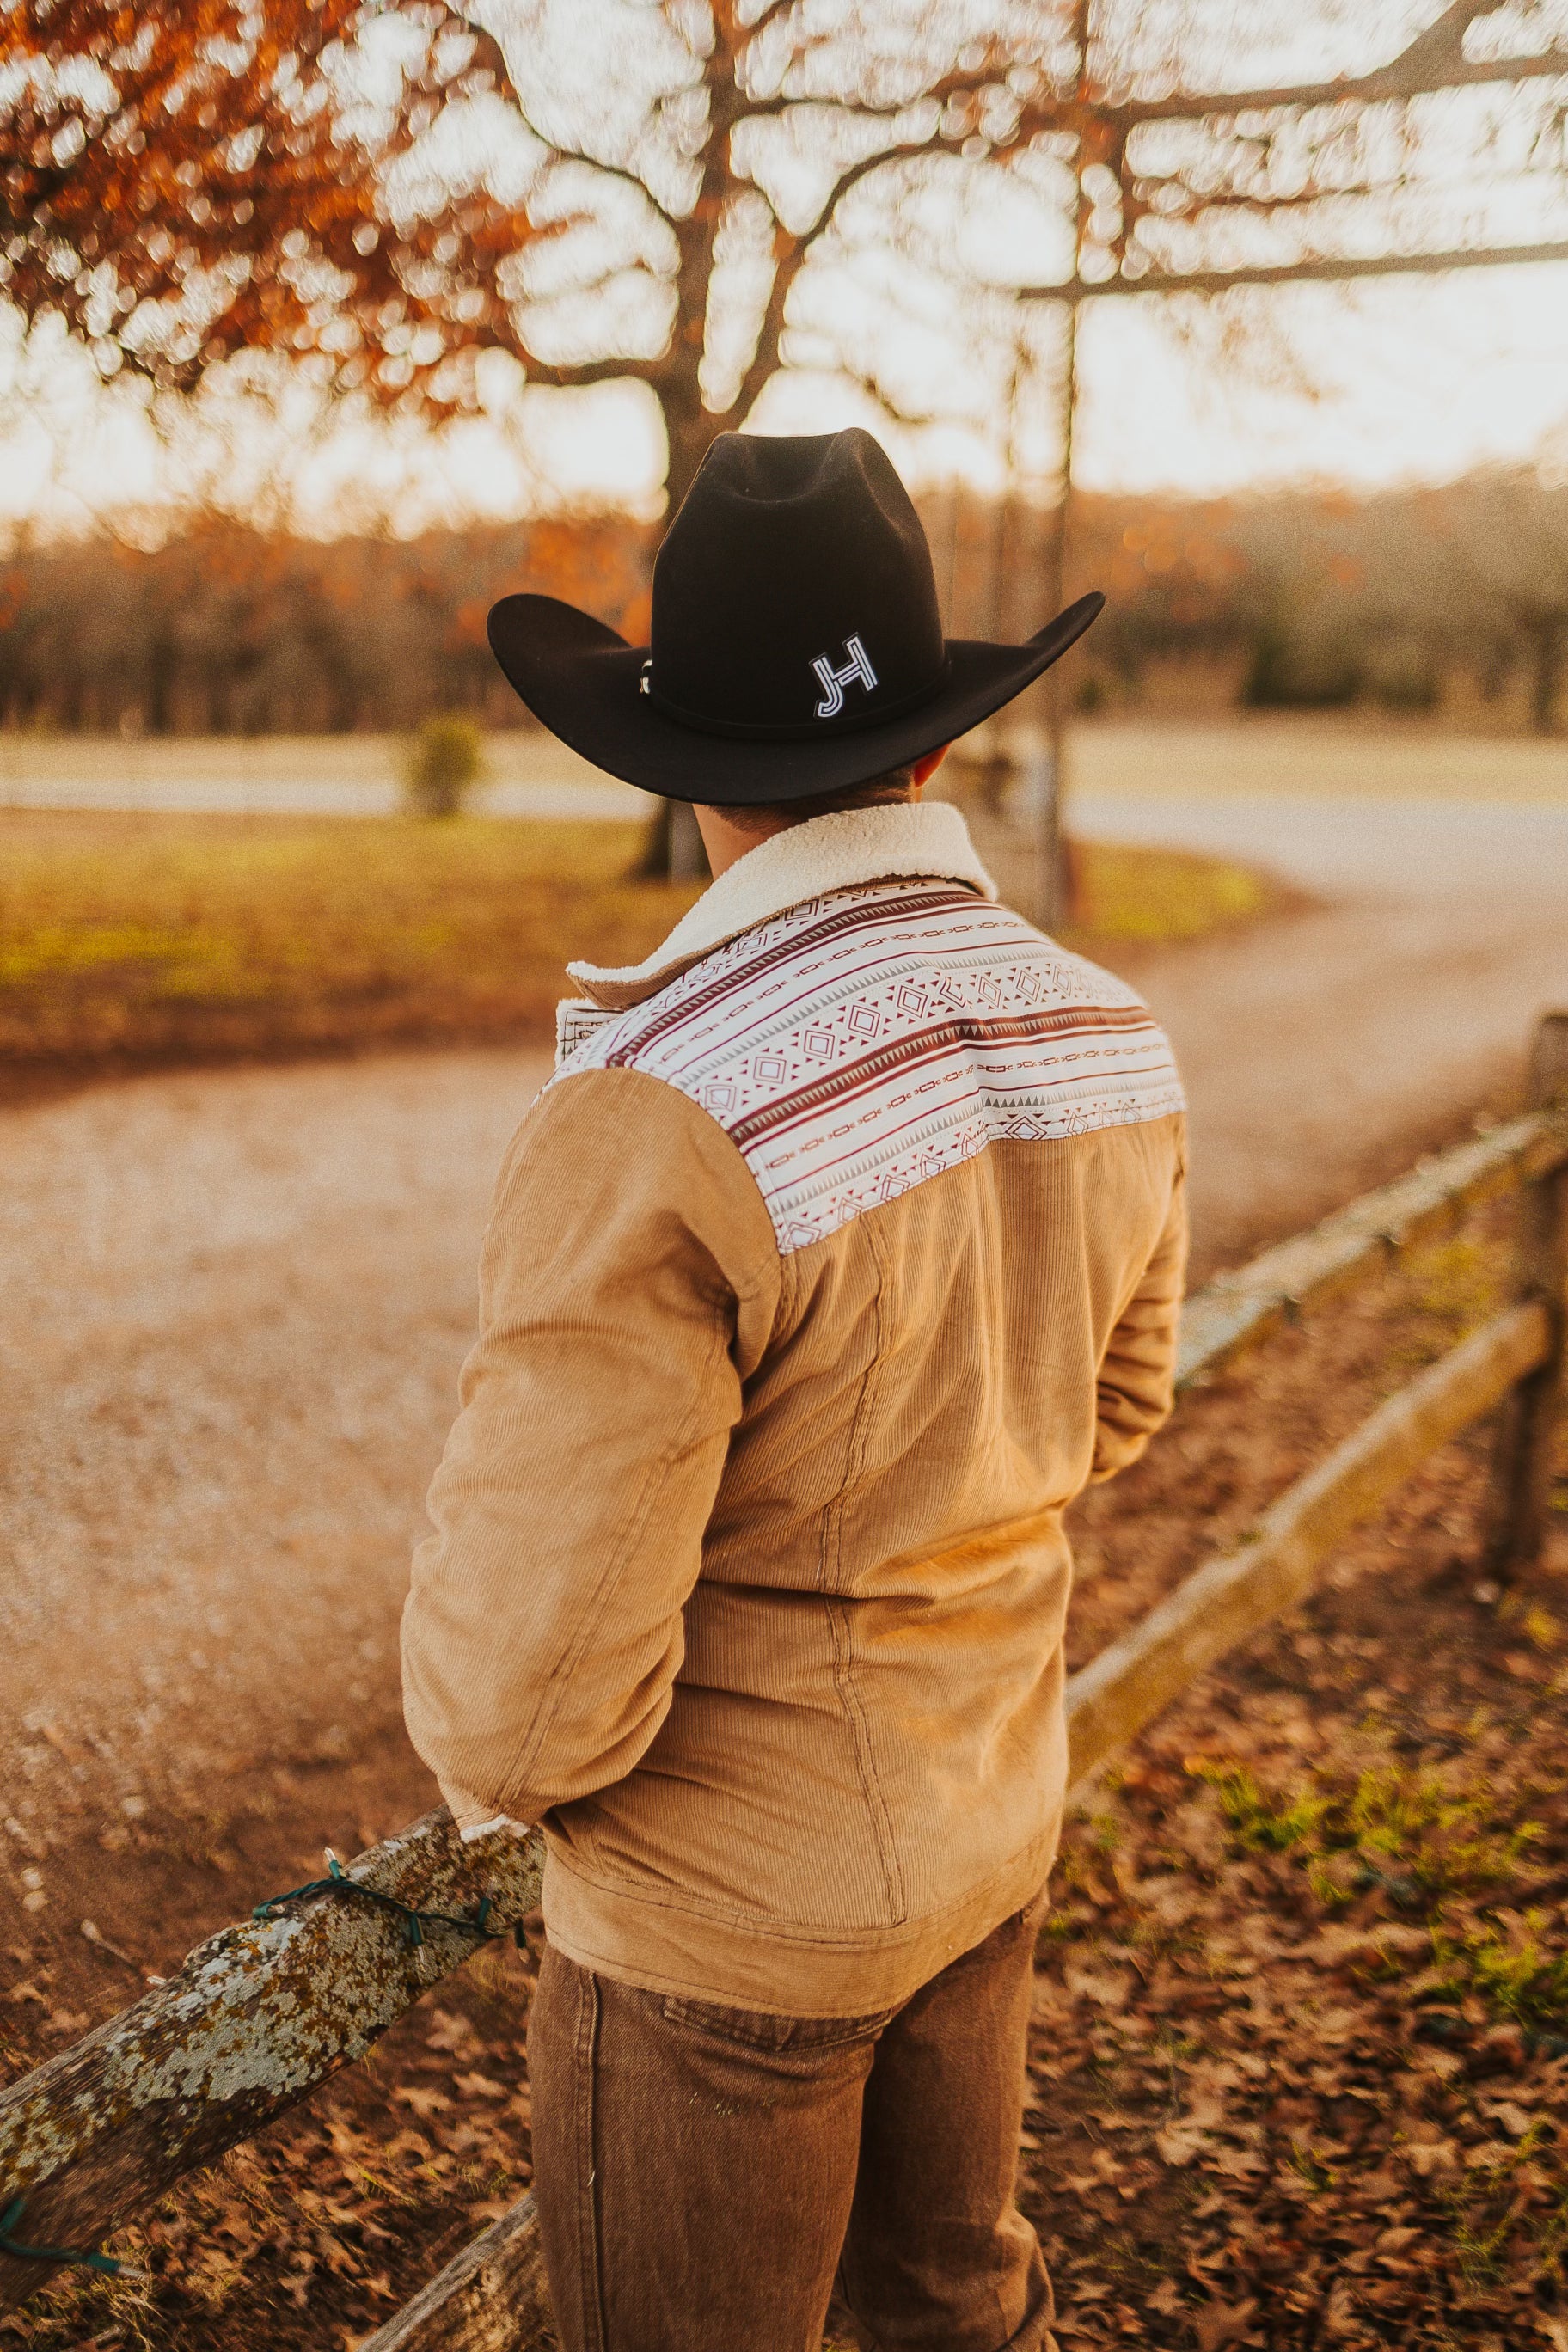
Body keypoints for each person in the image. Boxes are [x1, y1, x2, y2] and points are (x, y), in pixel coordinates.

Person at [401, 427, 1186, 2352]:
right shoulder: (1106, 1027)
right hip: (991, 1817)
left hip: (725, 1937)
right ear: (929, 741)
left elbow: (519, 1711)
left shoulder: (664, 1109)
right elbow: (1123, 1408)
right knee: (952, 2320)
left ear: (685, 776)